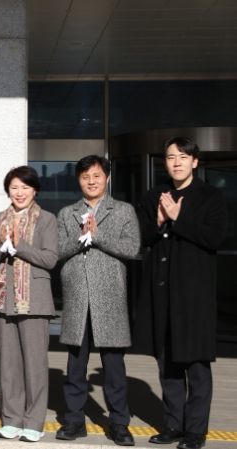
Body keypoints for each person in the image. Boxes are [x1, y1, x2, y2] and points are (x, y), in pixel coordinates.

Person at [136, 137, 227, 449]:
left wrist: (178, 217)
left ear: (195, 162)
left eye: (183, 157)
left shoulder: (211, 196)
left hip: (194, 296)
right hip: (162, 292)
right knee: (168, 365)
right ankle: (173, 425)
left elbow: (215, 238)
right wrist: (160, 221)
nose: (176, 162)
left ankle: (196, 431)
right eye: (171, 157)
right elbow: (141, 238)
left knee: (197, 366)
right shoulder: (153, 196)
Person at [55, 155, 140, 446]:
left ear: (107, 178)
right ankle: (74, 420)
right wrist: (81, 236)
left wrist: (98, 235)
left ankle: (119, 423)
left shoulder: (124, 210)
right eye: (85, 177)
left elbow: (132, 248)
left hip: (110, 296)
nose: (91, 181)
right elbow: (57, 250)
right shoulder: (67, 213)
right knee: (75, 366)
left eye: (96, 176)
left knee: (114, 368)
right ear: (78, 180)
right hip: (78, 297)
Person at [0, 166, 58, 443]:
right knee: (9, 364)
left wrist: (19, 246)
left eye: (25, 187)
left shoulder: (47, 219)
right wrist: (0, 249)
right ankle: (12, 420)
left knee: (35, 364)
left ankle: (34, 422)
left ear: (34, 190)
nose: (19, 192)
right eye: (14, 187)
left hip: (34, 300)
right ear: (8, 190)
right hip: (4, 298)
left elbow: (50, 259)